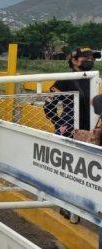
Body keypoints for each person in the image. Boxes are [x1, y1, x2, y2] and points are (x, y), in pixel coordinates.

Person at [43, 47, 98, 225]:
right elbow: (49, 105)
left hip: (89, 132)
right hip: (70, 130)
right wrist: (60, 124)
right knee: (69, 170)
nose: (90, 60)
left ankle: (82, 205)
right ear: (74, 60)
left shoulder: (93, 79)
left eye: (92, 57)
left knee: (86, 170)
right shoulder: (65, 79)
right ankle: (66, 205)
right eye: (86, 57)